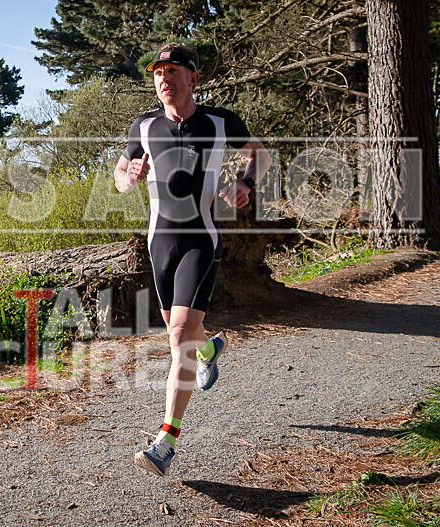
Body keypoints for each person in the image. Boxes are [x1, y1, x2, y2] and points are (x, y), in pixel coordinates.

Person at [113, 43, 272, 477]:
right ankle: (210, 348)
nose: (162, 78)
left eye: (172, 71)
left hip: (202, 239)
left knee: (179, 334)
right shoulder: (144, 126)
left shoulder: (220, 122)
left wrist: (246, 184)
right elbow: (121, 174)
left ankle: (165, 440)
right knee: (180, 335)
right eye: (157, 72)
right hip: (160, 242)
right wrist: (129, 176)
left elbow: (261, 154)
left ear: (192, 78)